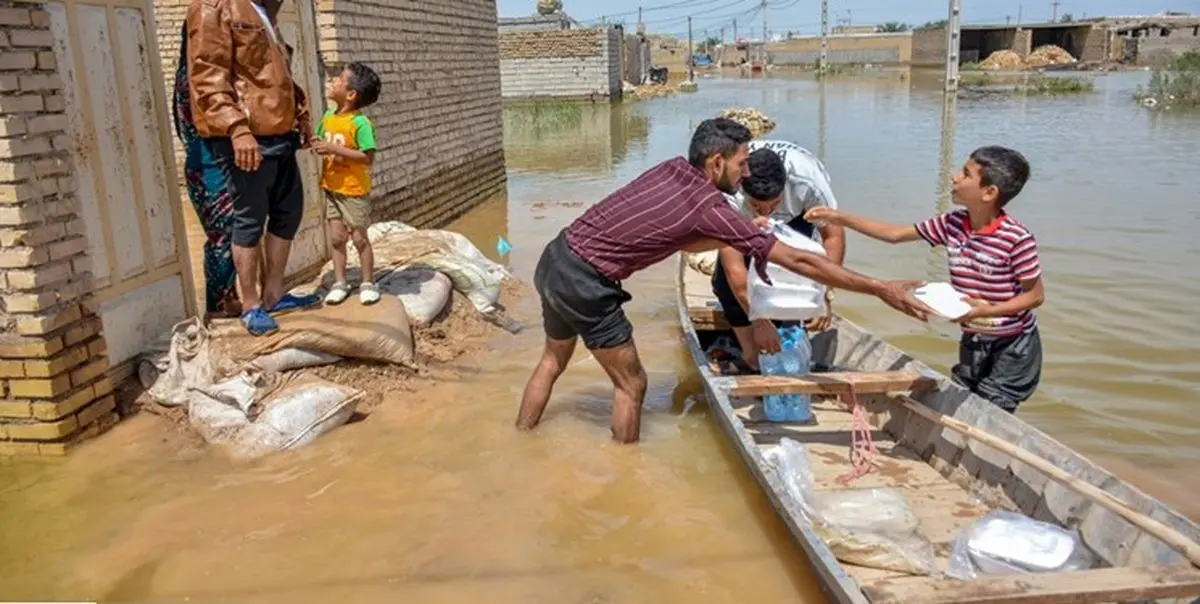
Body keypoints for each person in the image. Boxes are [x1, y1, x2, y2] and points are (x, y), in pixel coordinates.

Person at [516, 118, 932, 444]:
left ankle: (522, 435)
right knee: (632, 385)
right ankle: (625, 470)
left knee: (552, 361)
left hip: (555, 259)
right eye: (741, 163)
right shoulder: (711, 205)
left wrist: (746, 234)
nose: (746, 172)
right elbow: (801, 261)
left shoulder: (672, 170)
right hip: (589, 285)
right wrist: (880, 287)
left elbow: (683, 241)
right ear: (717, 163)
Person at [805, 146, 1044, 413]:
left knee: (993, 406)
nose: (954, 177)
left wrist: (987, 310)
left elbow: (1034, 297)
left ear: (989, 193)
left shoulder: (1016, 239)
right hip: (974, 335)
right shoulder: (953, 223)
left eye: (965, 174)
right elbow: (895, 234)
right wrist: (839, 217)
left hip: (1013, 345)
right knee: (968, 396)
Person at [187, 0, 319, 336]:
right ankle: (251, 305)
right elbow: (207, 74)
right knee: (249, 218)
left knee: (288, 211)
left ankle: (273, 294)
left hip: (279, 132)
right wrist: (236, 128)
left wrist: (300, 116)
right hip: (247, 136)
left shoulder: (262, 11)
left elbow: (279, 75)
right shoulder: (215, 7)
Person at [711, 149, 813, 373]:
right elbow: (734, 270)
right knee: (723, 282)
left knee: (797, 269)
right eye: (757, 206)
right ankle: (751, 357)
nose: (766, 214)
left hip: (795, 217)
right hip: (740, 220)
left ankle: (792, 330)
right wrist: (759, 321)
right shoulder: (727, 196)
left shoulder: (807, 185)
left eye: (773, 205)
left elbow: (833, 235)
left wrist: (825, 292)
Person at [173, 21, 239, 319]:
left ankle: (227, 299)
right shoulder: (199, 83)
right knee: (224, 233)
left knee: (230, 232)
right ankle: (219, 306)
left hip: (212, 161)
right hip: (209, 163)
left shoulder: (196, 79)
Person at [314, 62, 383, 306]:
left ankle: (367, 282)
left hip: (353, 191)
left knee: (359, 238)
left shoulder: (360, 124)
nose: (333, 83)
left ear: (351, 95)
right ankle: (340, 282)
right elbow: (318, 138)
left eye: (339, 80)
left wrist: (334, 148)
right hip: (331, 187)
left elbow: (368, 157)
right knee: (336, 238)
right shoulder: (328, 117)